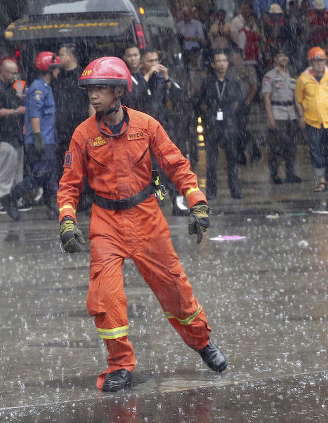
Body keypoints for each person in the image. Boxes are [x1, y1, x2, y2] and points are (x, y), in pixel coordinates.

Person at [57, 56, 227, 392]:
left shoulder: (147, 126)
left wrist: (197, 203)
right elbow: (69, 184)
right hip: (106, 223)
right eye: (90, 89)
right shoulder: (83, 135)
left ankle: (202, 343)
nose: (93, 95)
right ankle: (119, 364)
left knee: (175, 289)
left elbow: (177, 165)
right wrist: (66, 221)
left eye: (101, 88)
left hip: (147, 218)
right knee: (105, 297)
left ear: (119, 91)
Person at [0, 52, 61, 221]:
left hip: (48, 139)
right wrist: (38, 137)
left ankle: (53, 209)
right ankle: (11, 197)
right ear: (49, 69)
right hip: (40, 141)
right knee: (41, 174)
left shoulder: (45, 87)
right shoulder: (38, 88)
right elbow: (35, 114)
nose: (58, 72)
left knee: (50, 176)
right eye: (56, 68)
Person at [295, 47, 328, 192]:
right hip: (312, 121)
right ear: (311, 62)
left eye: (322, 60)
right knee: (316, 150)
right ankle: (322, 181)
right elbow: (298, 100)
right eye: (317, 61)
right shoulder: (303, 79)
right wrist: (302, 116)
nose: (320, 63)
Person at [196, 51, 244, 199]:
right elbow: (202, 102)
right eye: (219, 61)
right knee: (211, 161)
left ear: (228, 63)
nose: (222, 64)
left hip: (229, 123)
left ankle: (235, 189)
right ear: (213, 64)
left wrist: (229, 113)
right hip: (212, 124)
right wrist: (210, 115)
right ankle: (211, 191)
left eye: (224, 60)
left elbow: (238, 101)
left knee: (232, 159)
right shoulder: (207, 82)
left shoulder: (234, 81)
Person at [0, 58, 26, 213]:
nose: (15, 76)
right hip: (2, 137)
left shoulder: (10, 88)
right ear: (3, 72)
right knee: (2, 173)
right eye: (12, 73)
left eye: (16, 72)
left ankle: (13, 201)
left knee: (14, 172)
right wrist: (17, 111)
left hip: (14, 136)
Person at [262, 49, 300, 184]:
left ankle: (290, 173)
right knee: (276, 146)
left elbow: (296, 98)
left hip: (291, 113)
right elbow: (267, 98)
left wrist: (300, 115)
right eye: (280, 56)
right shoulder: (270, 75)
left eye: (285, 56)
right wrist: (270, 118)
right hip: (277, 112)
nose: (283, 58)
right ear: (275, 59)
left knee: (292, 146)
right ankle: (274, 174)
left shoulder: (292, 75)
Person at [52, 44, 90, 172]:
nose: (58, 58)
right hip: (61, 131)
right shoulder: (58, 76)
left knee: (81, 164)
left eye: (61, 55)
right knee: (64, 166)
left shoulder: (83, 76)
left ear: (71, 56)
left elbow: (91, 102)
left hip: (79, 127)